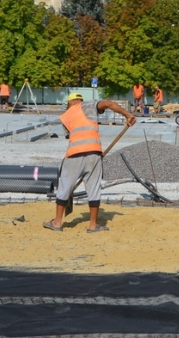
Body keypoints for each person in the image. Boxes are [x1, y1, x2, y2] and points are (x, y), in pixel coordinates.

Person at [44, 93, 136, 234]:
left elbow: (73, 135)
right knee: (93, 190)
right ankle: (93, 226)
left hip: (73, 154)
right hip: (93, 153)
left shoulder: (65, 116)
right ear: (80, 101)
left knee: (64, 188)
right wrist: (127, 115)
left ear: (69, 102)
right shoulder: (89, 105)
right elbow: (110, 103)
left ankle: (57, 223)